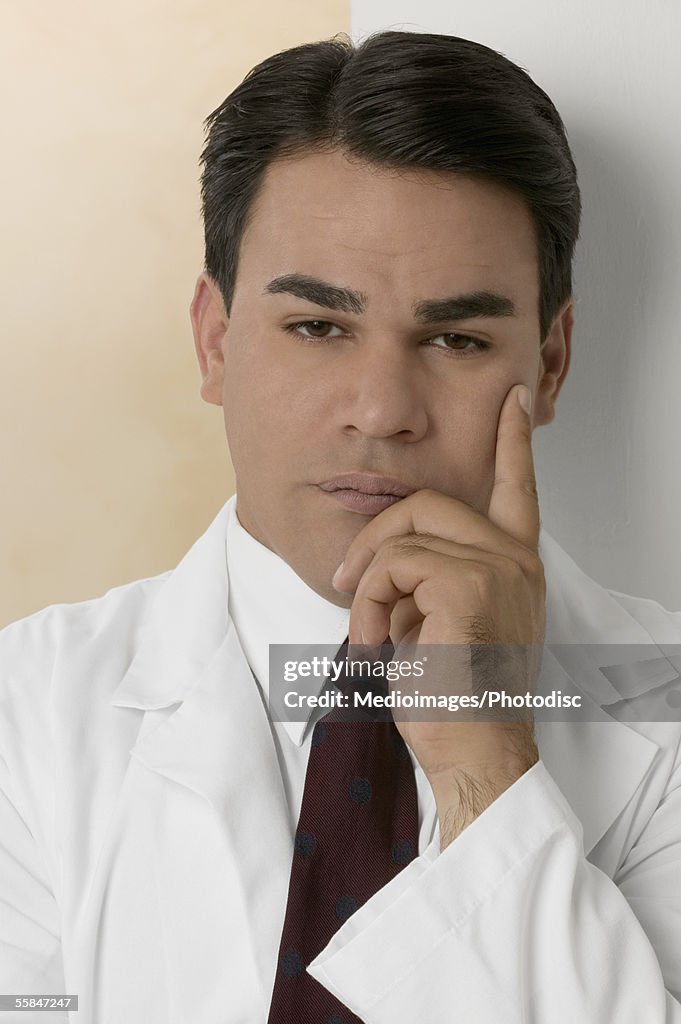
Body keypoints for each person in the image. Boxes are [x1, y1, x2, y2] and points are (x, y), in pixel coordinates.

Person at [1, 28, 680, 1024]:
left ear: (553, 362)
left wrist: (489, 767)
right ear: (216, 342)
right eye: (318, 326)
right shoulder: (24, 717)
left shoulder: (666, 707)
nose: (380, 408)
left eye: (456, 337)